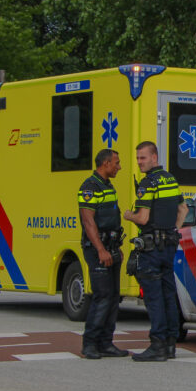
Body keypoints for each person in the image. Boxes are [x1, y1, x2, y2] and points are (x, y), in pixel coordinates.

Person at [123, 141, 188, 362]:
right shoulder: (170, 179)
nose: (139, 162)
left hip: (151, 249)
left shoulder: (147, 183)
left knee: (154, 298)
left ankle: (157, 345)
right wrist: (173, 231)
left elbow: (143, 218)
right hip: (169, 246)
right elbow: (183, 209)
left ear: (154, 157)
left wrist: (128, 215)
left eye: (143, 158)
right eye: (137, 158)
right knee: (169, 295)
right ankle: (170, 345)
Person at [77, 149, 127, 359]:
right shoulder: (90, 187)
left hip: (111, 247)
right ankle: (90, 344)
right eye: (116, 163)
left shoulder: (108, 186)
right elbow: (88, 222)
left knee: (113, 296)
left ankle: (106, 343)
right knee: (102, 295)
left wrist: (115, 247)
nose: (119, 167)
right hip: (98, 249)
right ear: (106, 163)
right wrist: (100, 249)